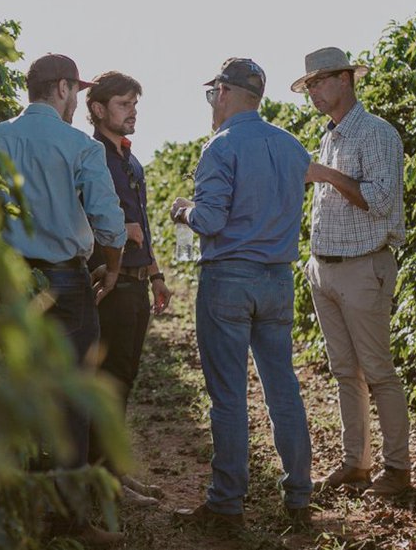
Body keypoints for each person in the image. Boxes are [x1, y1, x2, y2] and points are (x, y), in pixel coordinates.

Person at [0, 53, 128, 545]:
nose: (77, 102)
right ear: (63, 88)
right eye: (76, 92)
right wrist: (112, 264)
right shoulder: (78, 145)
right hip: (67, 284)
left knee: (8, 392)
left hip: (8, 282)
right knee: (70, 399)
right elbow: (108, 218)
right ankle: (68, 520)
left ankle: (3, 512)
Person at [170, 58, 314, 531]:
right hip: (277, 279)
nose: (212, 103)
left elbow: (209, 221)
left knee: (228, 395)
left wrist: (182, 212)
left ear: (227, 94)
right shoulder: (292, 147)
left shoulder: (222, 146)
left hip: (229, 278)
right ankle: (298, 497)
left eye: (213, 94)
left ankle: (226, 504)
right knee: (283, 388)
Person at [294, 46, 412, 496]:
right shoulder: (330, 136)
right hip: (326, 268)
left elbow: (380, 199)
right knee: (345, 371)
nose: (313, 93)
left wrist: (325, 175)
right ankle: (356, 463)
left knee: (378, 371)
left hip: (364, 267)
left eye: (319, 83)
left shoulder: (376, 133)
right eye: (309, 86)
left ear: (345, 79)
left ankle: (398, 469)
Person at [83, 71, 172, 507]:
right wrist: (118, 231)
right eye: (123, 104)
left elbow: (144, 225)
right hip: (109, 283)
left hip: (136, 283)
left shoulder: (129, 159)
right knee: (107, 383)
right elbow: (84, 216)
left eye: (134, 104)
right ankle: (103, 479)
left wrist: (155, 274)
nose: (132, 111)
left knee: (125, 378)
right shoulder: (89, 155)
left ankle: (113, 472)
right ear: (98, 109)